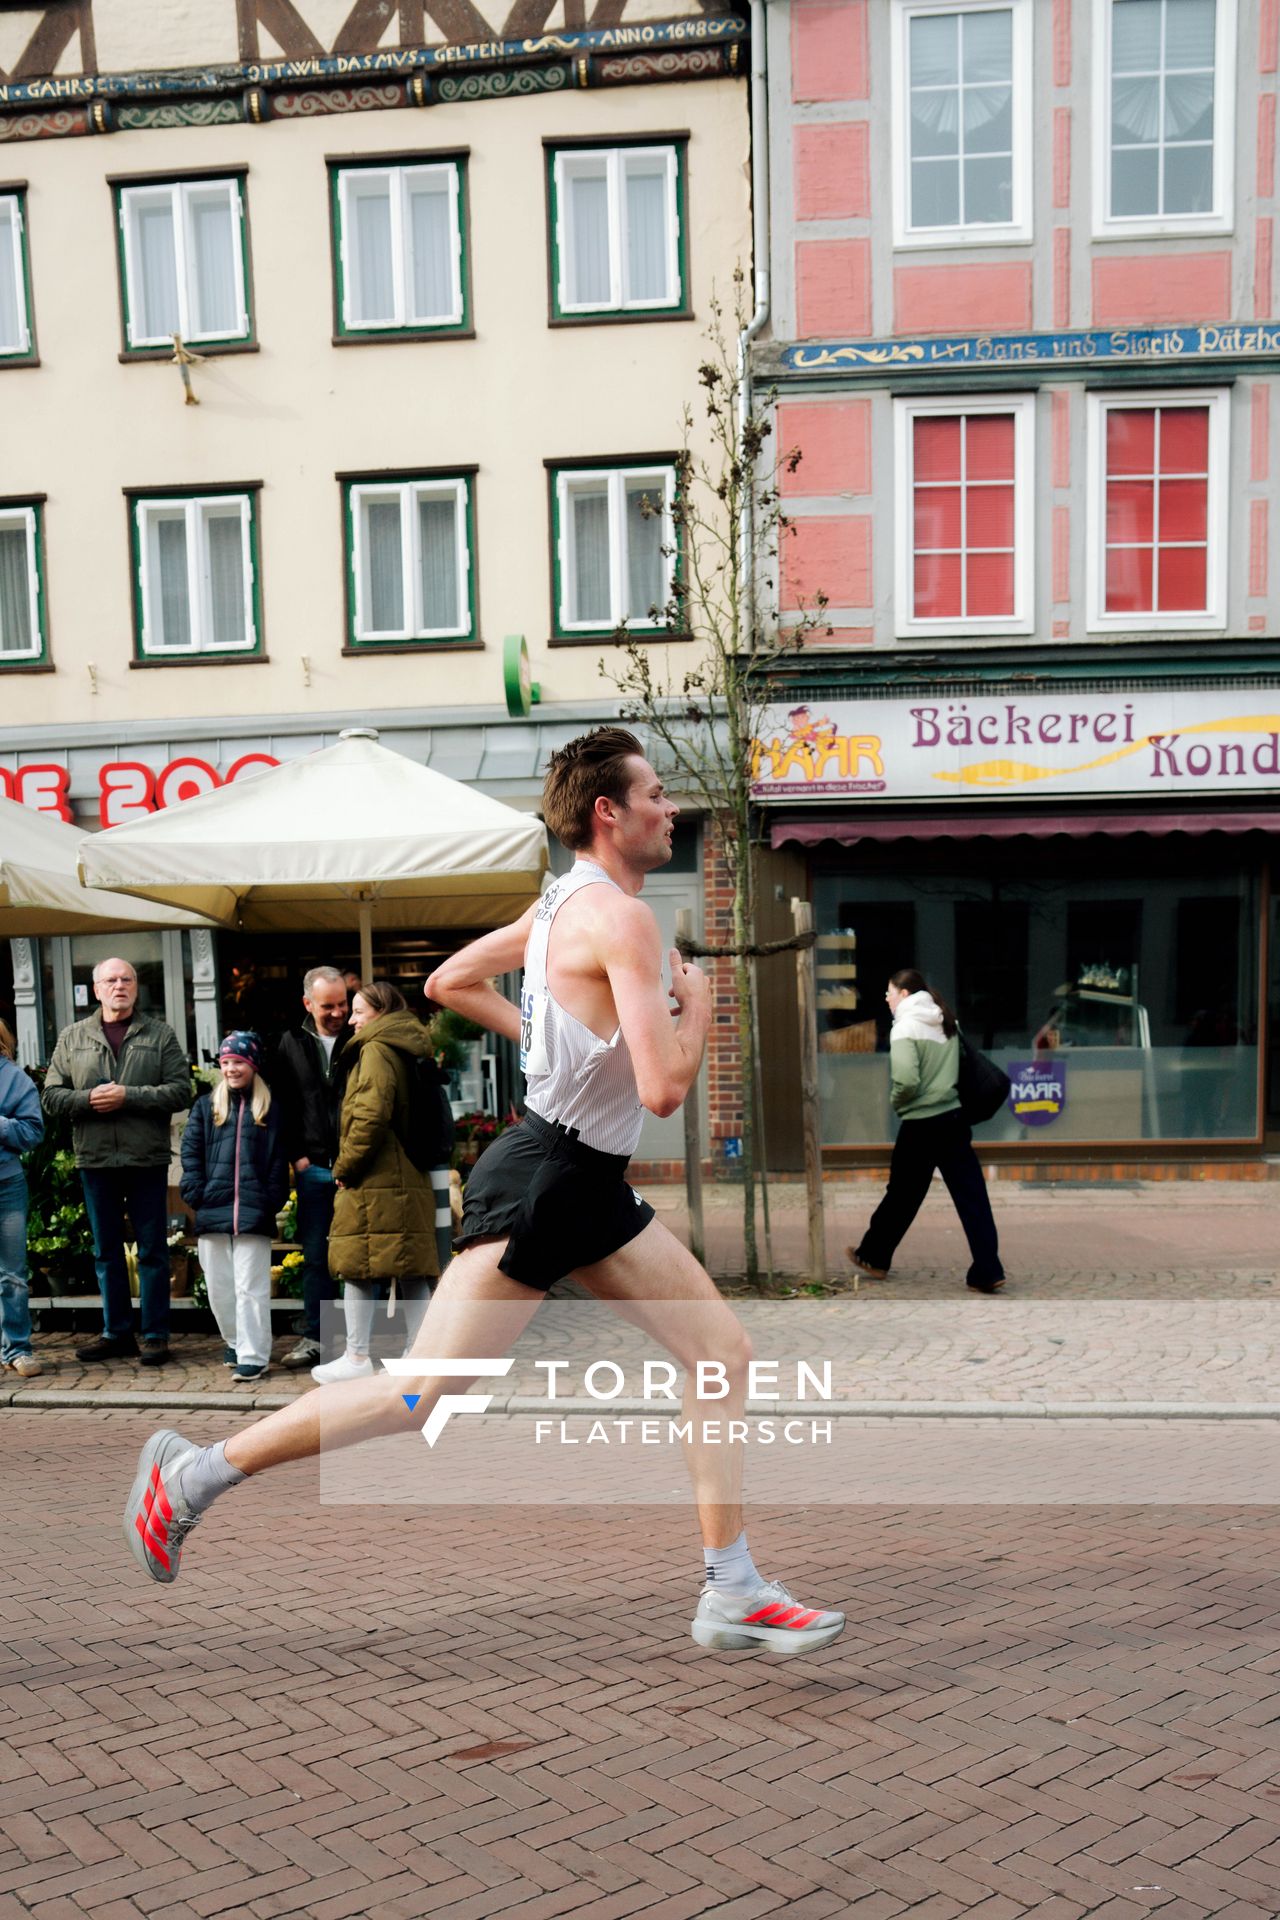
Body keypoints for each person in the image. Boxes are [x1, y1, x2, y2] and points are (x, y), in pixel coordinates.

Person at [122, 729, 845, 1657]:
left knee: (721, 1354)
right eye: (657, 793)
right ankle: (192, 1478)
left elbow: (448, 981)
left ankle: (730, 1586)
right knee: (419, 1396)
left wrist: (567, 1045)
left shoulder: (556, 909)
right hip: (549, 1179)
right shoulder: (622, 917)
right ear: (607, 812)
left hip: (581, 1179)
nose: (672, 809)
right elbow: (664, 1090)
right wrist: (696, 1016)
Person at [43, 957, 190, 1365]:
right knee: (106, 1251)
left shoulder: (159, 1035)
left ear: (136, 988)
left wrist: (131, 1095)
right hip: (96, 1159)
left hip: (146, 1158)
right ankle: (117, 1333)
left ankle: (156, 1334)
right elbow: (51, 1097)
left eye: (126, 979)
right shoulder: (73, 1037)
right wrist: (88, 1100)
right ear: (96, 989)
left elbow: (181, 1090)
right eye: (110, 980)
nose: (119, 985)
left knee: (152, 1251)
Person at [310, 981, 439, 1383]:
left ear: (379, 1013)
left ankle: (356, 1356)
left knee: (358, 1265)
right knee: (412, 1268)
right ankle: (417, 1352)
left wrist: (345, 1167)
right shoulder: (406, 1044)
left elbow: (369, 1113)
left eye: (359, 1012)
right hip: (406, 1171)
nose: (351, 1019)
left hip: (378, 1174)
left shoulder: (376, 1049)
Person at [848, 968, 1005, 1294]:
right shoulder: (946, 1021)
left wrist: (895, 1101)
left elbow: (906, 1080)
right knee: (972, 1196)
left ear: (904, 994)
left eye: (889, 992)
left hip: (920, 1124)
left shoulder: (905, 1027)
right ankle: (988, 1269)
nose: (887, 999)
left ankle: (874, 1256)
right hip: (953, 1120)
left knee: (902, 1194)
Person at [180, 1032, 288, 1384]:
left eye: (238, 1062)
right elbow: (191, 1154)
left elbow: (276, 1161)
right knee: (220, 1287)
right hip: (213, 1209)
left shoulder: (269, 1109)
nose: (230, 1068)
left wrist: (272, 1199)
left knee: (251, 1287)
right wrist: (196, 1192)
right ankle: (236, 1342)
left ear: (252, 1065)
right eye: (225, 1062)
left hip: (253, 1212)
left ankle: (254, 1356)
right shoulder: (206, 1107)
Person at [269, 966, 353, 1370]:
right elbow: (280, 1103)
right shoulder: (290, 1043)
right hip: (314, 1166)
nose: (338, 1012)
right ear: (307, 1004)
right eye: (328, 1006)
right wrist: (296, 1155)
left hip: (356, 1168)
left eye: (342, 1003)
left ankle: (359, 1342)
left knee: (359, 1256)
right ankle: (318, 1337)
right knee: (316, 1255)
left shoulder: (360, 1037)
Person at [0, 1018, 45, 1378]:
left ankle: (17, 1348)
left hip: (6, 1186)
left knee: (12, 1274)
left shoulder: (14, 1079)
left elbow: (32, 1132)